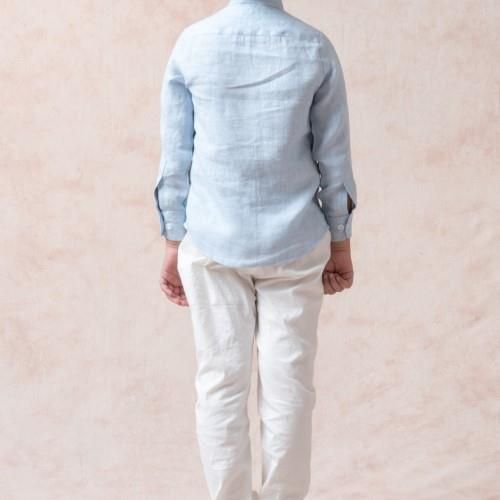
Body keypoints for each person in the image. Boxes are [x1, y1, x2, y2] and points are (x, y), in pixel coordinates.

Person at [153, 0, 358, 498]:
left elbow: (176, 157)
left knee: (220, 384)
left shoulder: (193, 44)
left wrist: (172, 242)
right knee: (290, 388)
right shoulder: (314, 46)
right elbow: (334, 159)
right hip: (296, 243)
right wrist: (340, 241)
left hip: (210, 242)